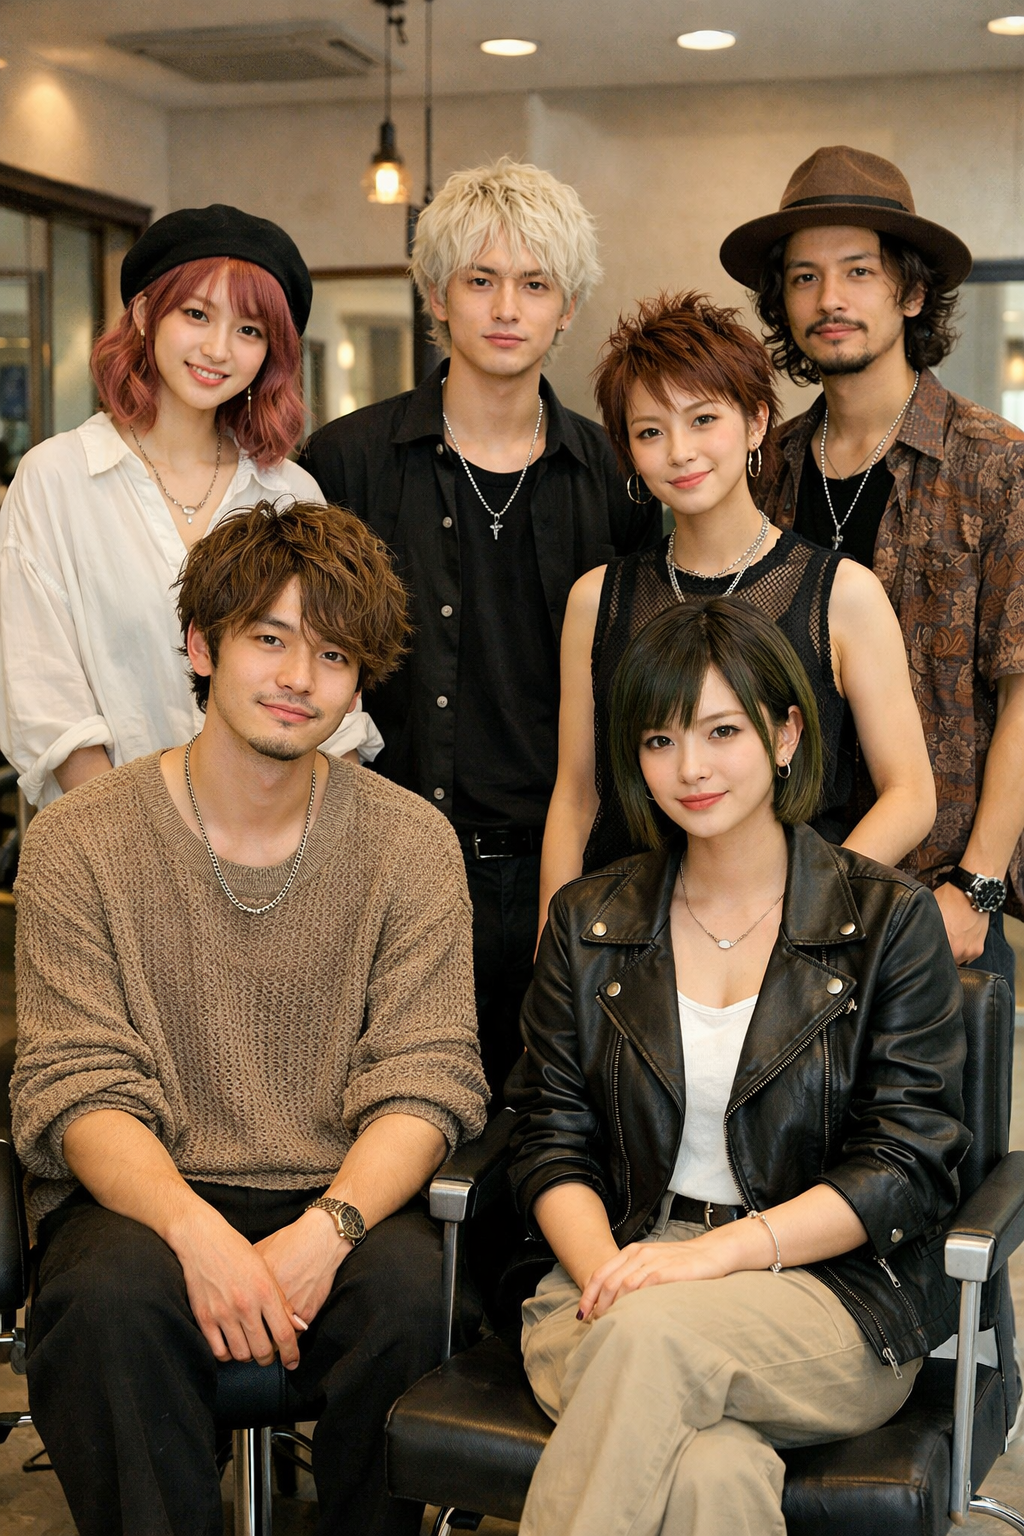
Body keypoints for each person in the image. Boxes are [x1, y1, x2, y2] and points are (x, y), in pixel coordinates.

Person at [10, 500, 488, 1536]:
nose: (298, 678)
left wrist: (328, 1230)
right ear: (201, 646)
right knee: (104, 1308)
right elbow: (79, 1086)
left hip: (340, 1191)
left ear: (359, 681)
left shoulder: (410, 843)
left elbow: (426, 1080)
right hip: (143, 1199)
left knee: (416, 1301)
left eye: (332, 655)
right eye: (269, 639)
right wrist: (200, 1237)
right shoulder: (78, 841)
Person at [507, 596, 972, 1536]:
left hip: (826, 1298)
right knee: (711, 1470)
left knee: (654, 1344)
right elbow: (547, 1136)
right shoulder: (587, 922)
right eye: (660, 739)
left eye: (722, 731)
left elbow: (906, 1163)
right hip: (614, 1273)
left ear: (787, 734)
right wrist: (613, 1274)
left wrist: (715, 1257)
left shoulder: (888, 922)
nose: (691, 768)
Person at [300, 158, 660, 1101]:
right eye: (481, 280)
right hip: (387, 864)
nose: (507, 308)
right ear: (437, 297)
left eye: (535, 284)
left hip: (573, 871)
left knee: (558, 1122)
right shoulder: (346, 463)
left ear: (567, 307)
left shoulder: (618, 477)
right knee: (394, 1113)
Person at [720, 144, 1024, 1001]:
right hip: (776, 895)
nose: (831, 299)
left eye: (859, 271)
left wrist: (977, 886)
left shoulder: (996, 464)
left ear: (911, 293)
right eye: (805, 277)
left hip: (932, 899)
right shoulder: (764, 465)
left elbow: (1023, 695)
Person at [539, 291, 935, 929]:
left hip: (794, 938)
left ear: (755, 423)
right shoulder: (598, 599)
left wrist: (800, 908)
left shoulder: (843, 593)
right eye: (650, 431)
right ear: (628, 453)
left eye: (703, 419)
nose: (679, 451)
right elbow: (578, 798)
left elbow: (910, 794)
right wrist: (553, 946)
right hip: (628, 937)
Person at [0, 203, 378, 811]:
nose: (218, 349)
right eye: (196, 314)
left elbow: (330, 698)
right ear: (144, 314)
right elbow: (45, 697)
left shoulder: (289, 491)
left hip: (277, 836)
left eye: (249, 330)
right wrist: (151, 842)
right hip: (112, 839)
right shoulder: (57, 479)